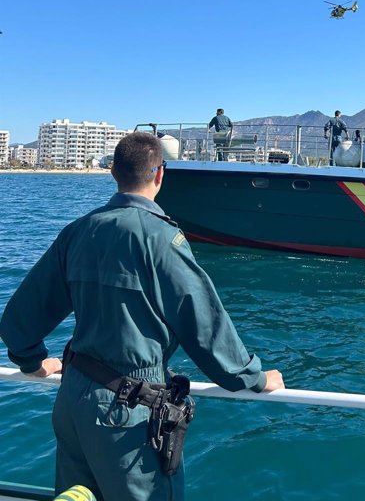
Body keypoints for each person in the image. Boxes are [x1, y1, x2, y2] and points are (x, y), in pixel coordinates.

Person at [0, 131, 284, 501]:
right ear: (160, 175)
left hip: (72, 403)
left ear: (113, 172)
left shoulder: (77, 231)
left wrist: (32, 362)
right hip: (125, 416)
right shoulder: (162, 240)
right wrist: (254, 377)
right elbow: (203, 324)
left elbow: (18, 320)